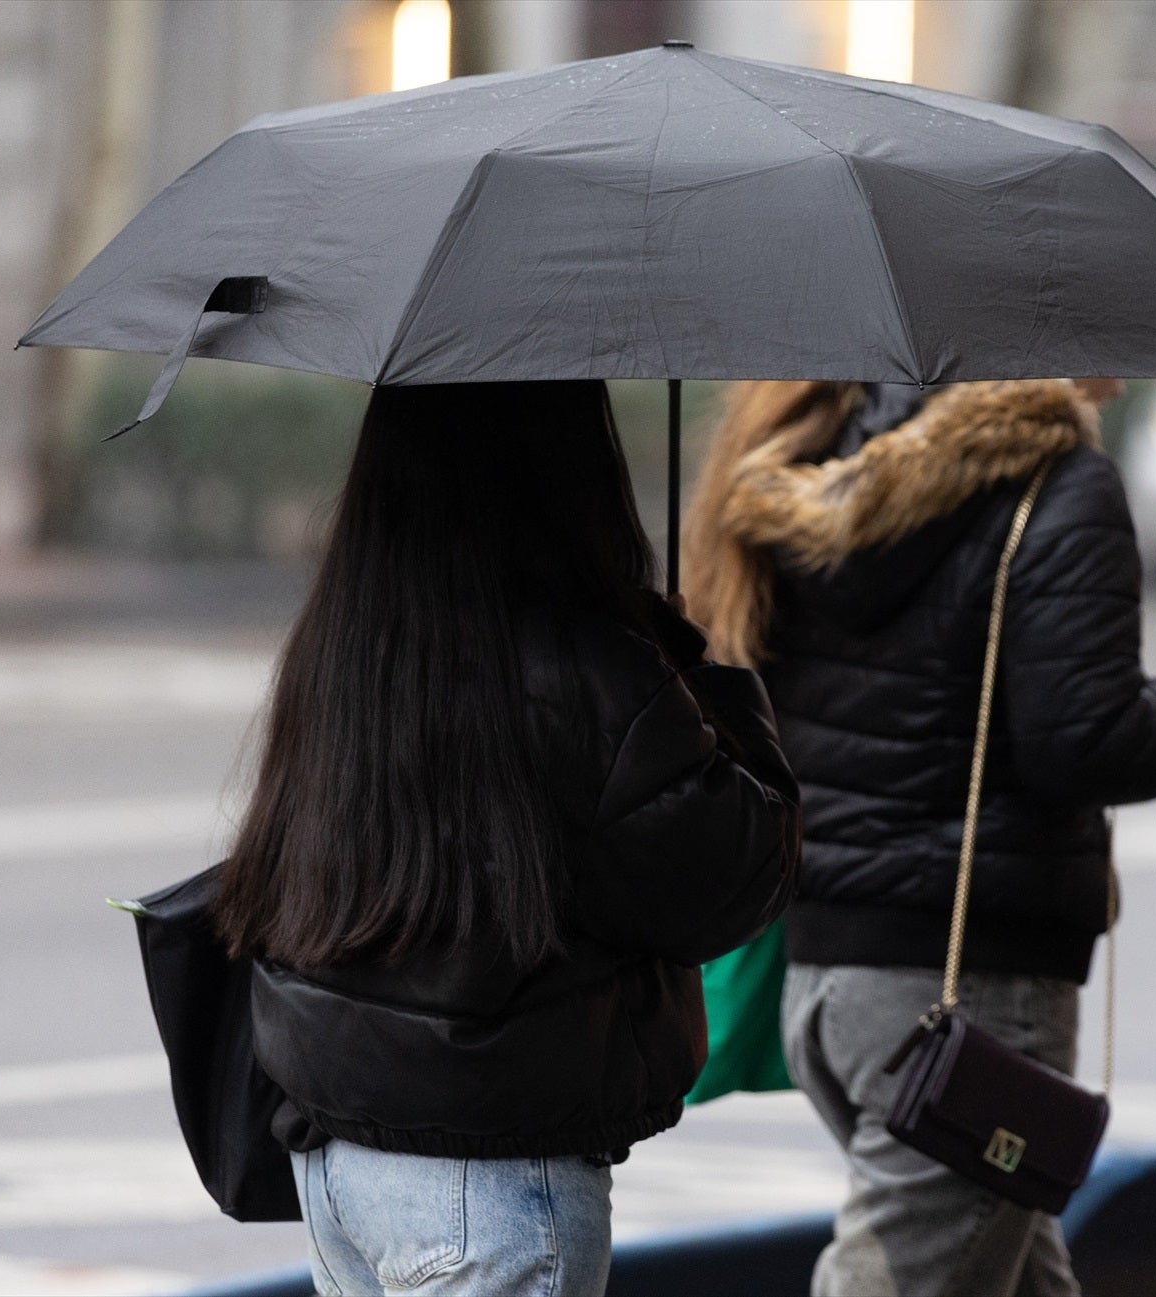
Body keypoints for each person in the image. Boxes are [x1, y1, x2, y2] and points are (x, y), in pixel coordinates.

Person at [682, 378, 1156, 1297]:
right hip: (965, 994)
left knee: (1015, 1274)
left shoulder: (809, 462)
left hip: (829, 982)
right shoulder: (1053, 479)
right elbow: (1087, 743)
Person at [214, 381, 800, 1297]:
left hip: (337, 1152)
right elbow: (734, 877)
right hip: (490, 1181)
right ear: (568, 472)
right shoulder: (590, 668)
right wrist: (700, 673)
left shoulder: (346, 643)